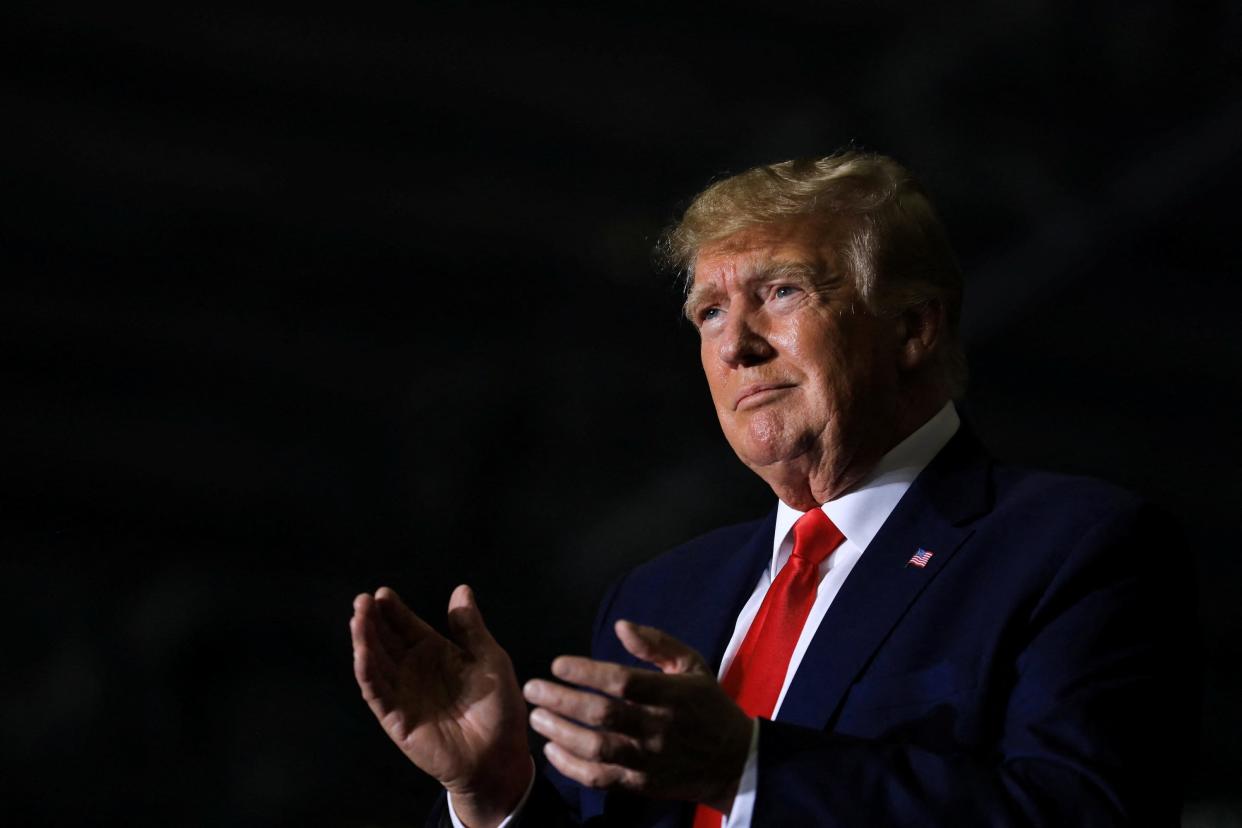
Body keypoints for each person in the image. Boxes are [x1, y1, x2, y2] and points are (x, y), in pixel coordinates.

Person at [349, 152, 1195, 826]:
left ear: (912, 327)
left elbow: (1083, 811)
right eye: (709, 313)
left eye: (781, 292)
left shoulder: (1072, 548)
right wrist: (498, 794)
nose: (735, 346)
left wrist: (751, 769)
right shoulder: (660, 597)